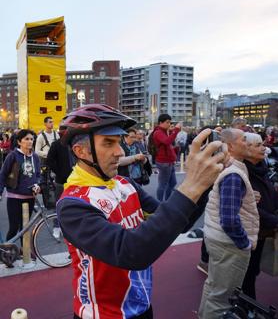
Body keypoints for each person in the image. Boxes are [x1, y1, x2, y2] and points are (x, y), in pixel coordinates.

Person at [56, 104, 227, 319]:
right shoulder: (72, 203)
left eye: (118, 142)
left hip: (142, 306)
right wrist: (191, 185)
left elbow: (177, 221)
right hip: (102, 315)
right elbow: (130, 251)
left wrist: (204, 183)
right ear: (80, 151)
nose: (119, 152)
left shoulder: (124, 183)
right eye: (108, 143)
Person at [199, 128, 259, 319]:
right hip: (229, 244)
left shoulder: (231, 167)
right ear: (231, 146)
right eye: (244, 140)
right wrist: (244, 243)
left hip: (218, 239)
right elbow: (229, 219)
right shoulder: (233, 173)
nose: (247, 143)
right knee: (222, 298)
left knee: (213, 287)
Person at [242, 132, 278, 299]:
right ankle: (247, 304)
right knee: (247, 272)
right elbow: (248, 207)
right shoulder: (241, 172)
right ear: (245, 148)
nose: (264, 147)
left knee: (254, 268)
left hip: (262, 229)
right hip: (249, 229)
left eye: (263, 144)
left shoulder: (261, 167)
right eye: (258, 145)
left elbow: (269, 194)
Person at [0, 129, 40, 245]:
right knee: (14, 227)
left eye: (31, 139)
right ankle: (7, 251)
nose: (30, 141)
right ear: (19, 142)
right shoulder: (13, 156)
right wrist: (0, 191)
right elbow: (3, 174)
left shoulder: (35, 157)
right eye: (26, 139)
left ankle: (24, 251)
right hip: (14, 197)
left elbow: (38, 175)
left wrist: (37, 185)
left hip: (30, 197)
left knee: (25, 228)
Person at [46, 124, 75, 238]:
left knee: (72, 204)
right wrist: (59, 172)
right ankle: (57, 227)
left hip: (74, 179)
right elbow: (49, 161)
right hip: (61, 180)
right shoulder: (56, 145)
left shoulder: (73, 144)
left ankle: (68, 227)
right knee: (58, 204)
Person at [153, 114, 181, 201]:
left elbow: (167, 145)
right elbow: (167, 142)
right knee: (163, 184)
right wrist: (176, 130)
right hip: (164, 162)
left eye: (170, 122)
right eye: (167, 122)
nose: (169, 124)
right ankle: (159, 204)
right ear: (160, 123)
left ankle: (166, 201)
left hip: (168, 161)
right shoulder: (158, 132)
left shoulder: (163, 131)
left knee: (173, 183)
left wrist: (174, 151)